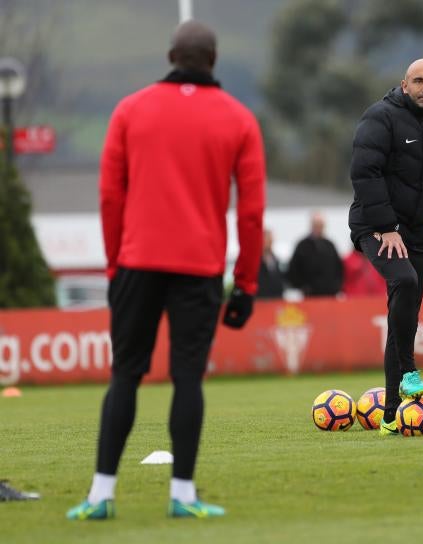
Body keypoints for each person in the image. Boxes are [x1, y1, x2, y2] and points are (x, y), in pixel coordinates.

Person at [67, 20, 266, 519]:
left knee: (125, 377)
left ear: (171, 55)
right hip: (198, 268)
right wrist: (245, 283)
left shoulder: (130, 110)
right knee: (187, 380)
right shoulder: (239, 119)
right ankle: (182, 496)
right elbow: (252, 212)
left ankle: (99, 495)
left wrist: (115, 265)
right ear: (214, 60)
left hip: (136, 262)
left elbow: (110, 195)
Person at [349, 58, 423, 436]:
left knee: (406, 318)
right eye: (418, 81)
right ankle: (411, 372)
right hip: (375, 225)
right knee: (404, 282)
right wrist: (386, 226)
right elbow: (364, 172)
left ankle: (389, 417)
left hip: (416, 230)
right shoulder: (380, 117)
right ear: (404, 84)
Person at [286, 211, 343, 297]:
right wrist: (303, 287)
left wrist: (336, 287)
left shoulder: (329, 245)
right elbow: (293, 269)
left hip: (329, 295)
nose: (318, 228)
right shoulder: (302, 246)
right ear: (311, 225)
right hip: (310, 296)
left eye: (321, 225)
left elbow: (338, 268)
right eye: (316, 225)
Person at [256, 228, 285, 299]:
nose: (270, 243)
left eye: (271, 240)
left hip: (275, 298)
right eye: (268, 240)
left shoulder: (275, 259)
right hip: (261, 299)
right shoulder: (256, 260)